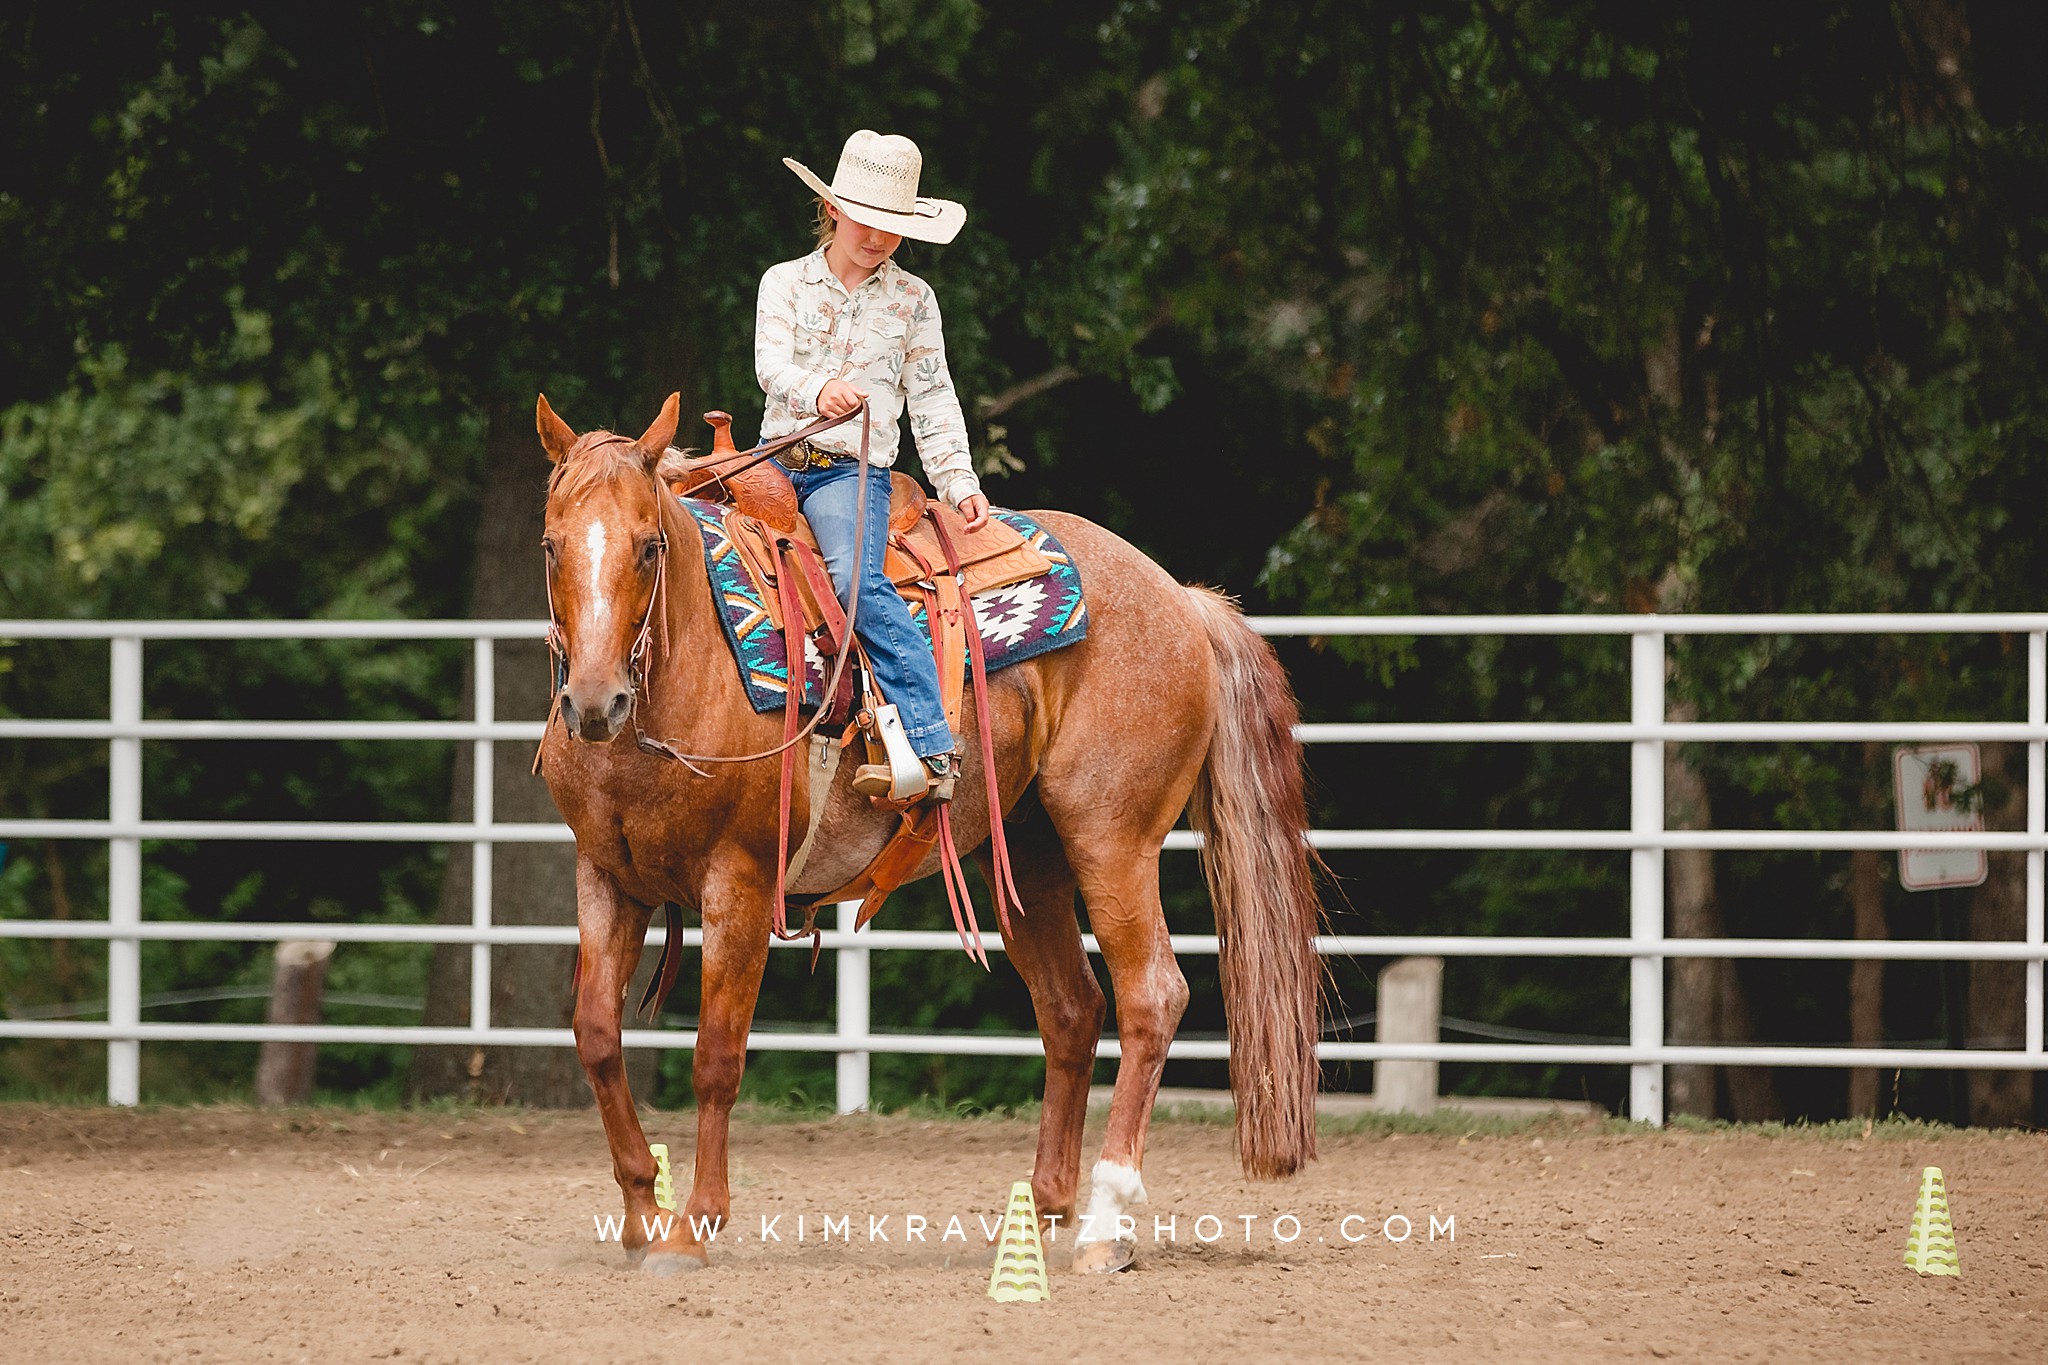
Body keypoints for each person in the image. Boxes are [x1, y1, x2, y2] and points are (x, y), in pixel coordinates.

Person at [756, 129, 990, 804]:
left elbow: (933, 395)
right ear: (832, 209)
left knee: (855, 580)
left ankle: (930, 740)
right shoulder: (783, 283)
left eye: (893, 227)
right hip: (770, 462)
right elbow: (770, 366)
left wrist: (958, 480)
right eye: (867, 220)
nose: (879, 237)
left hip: (844, 474)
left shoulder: (914, 300)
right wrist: (816, 389)